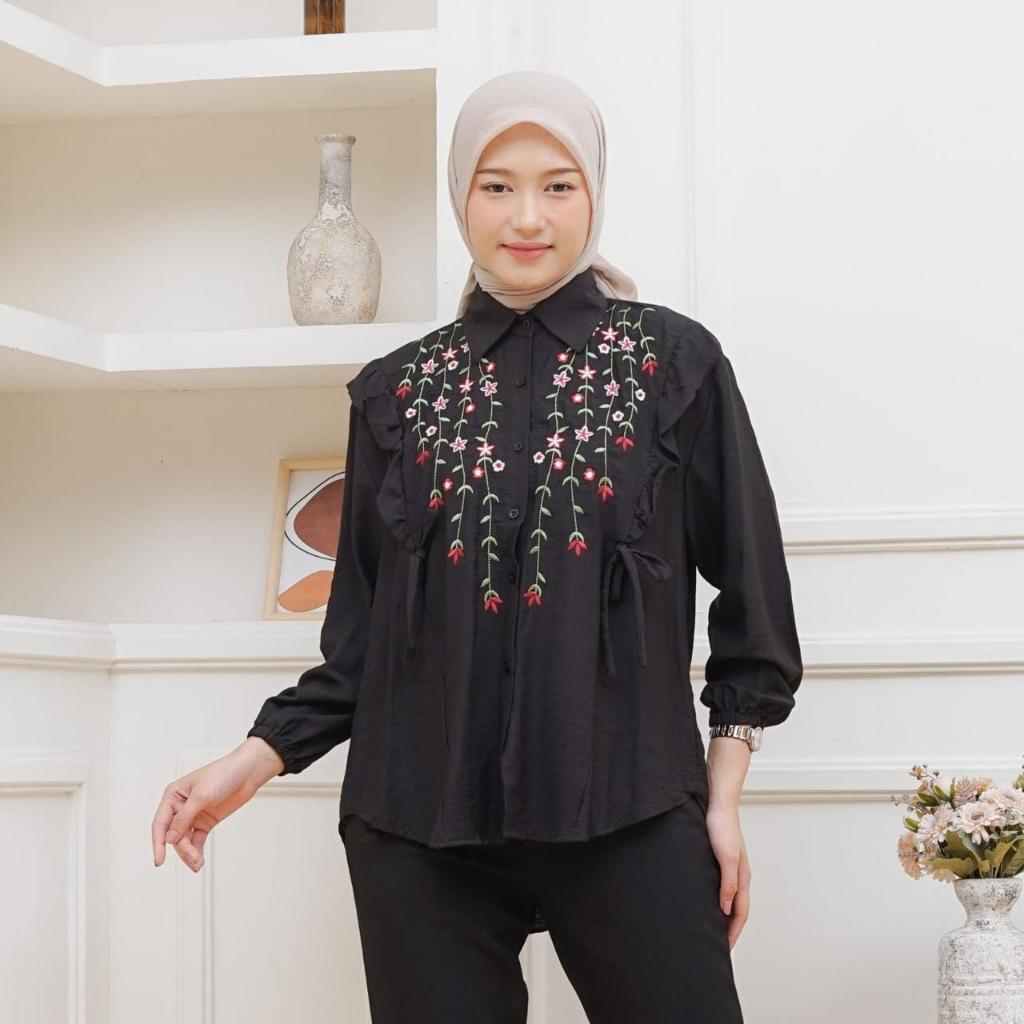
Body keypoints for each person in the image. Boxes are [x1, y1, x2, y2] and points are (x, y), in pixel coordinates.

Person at [151, 70, 803, 1023]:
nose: (527, 216)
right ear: (461, 194)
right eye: (497, 185)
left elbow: (755, 603)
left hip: (629, 804)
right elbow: (361, 644)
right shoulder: (395, 393)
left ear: (594, 194)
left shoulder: (674, 364)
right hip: (418, 828)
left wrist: (722, 800)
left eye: (558, 185)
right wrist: (252, 760)